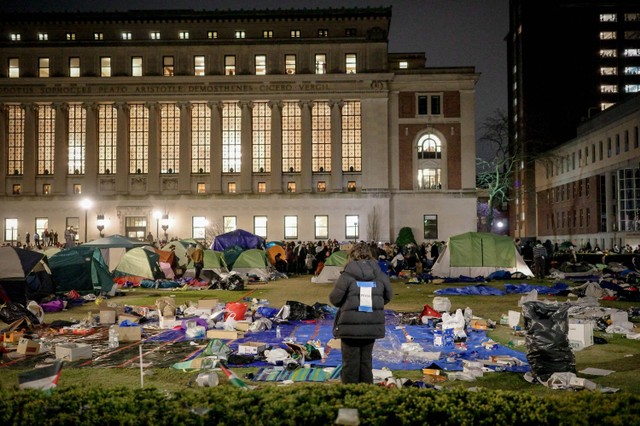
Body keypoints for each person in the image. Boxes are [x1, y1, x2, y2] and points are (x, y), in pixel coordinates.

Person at [329, 241, 393, 384]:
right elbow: (387, 297)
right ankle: (366, 395)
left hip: (349, 326)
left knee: (350, 364)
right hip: (372, 324)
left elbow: (335, 299)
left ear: (351, 256)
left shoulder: (346, 275)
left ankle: (351, 397)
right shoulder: (380, 275)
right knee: (366, 362)